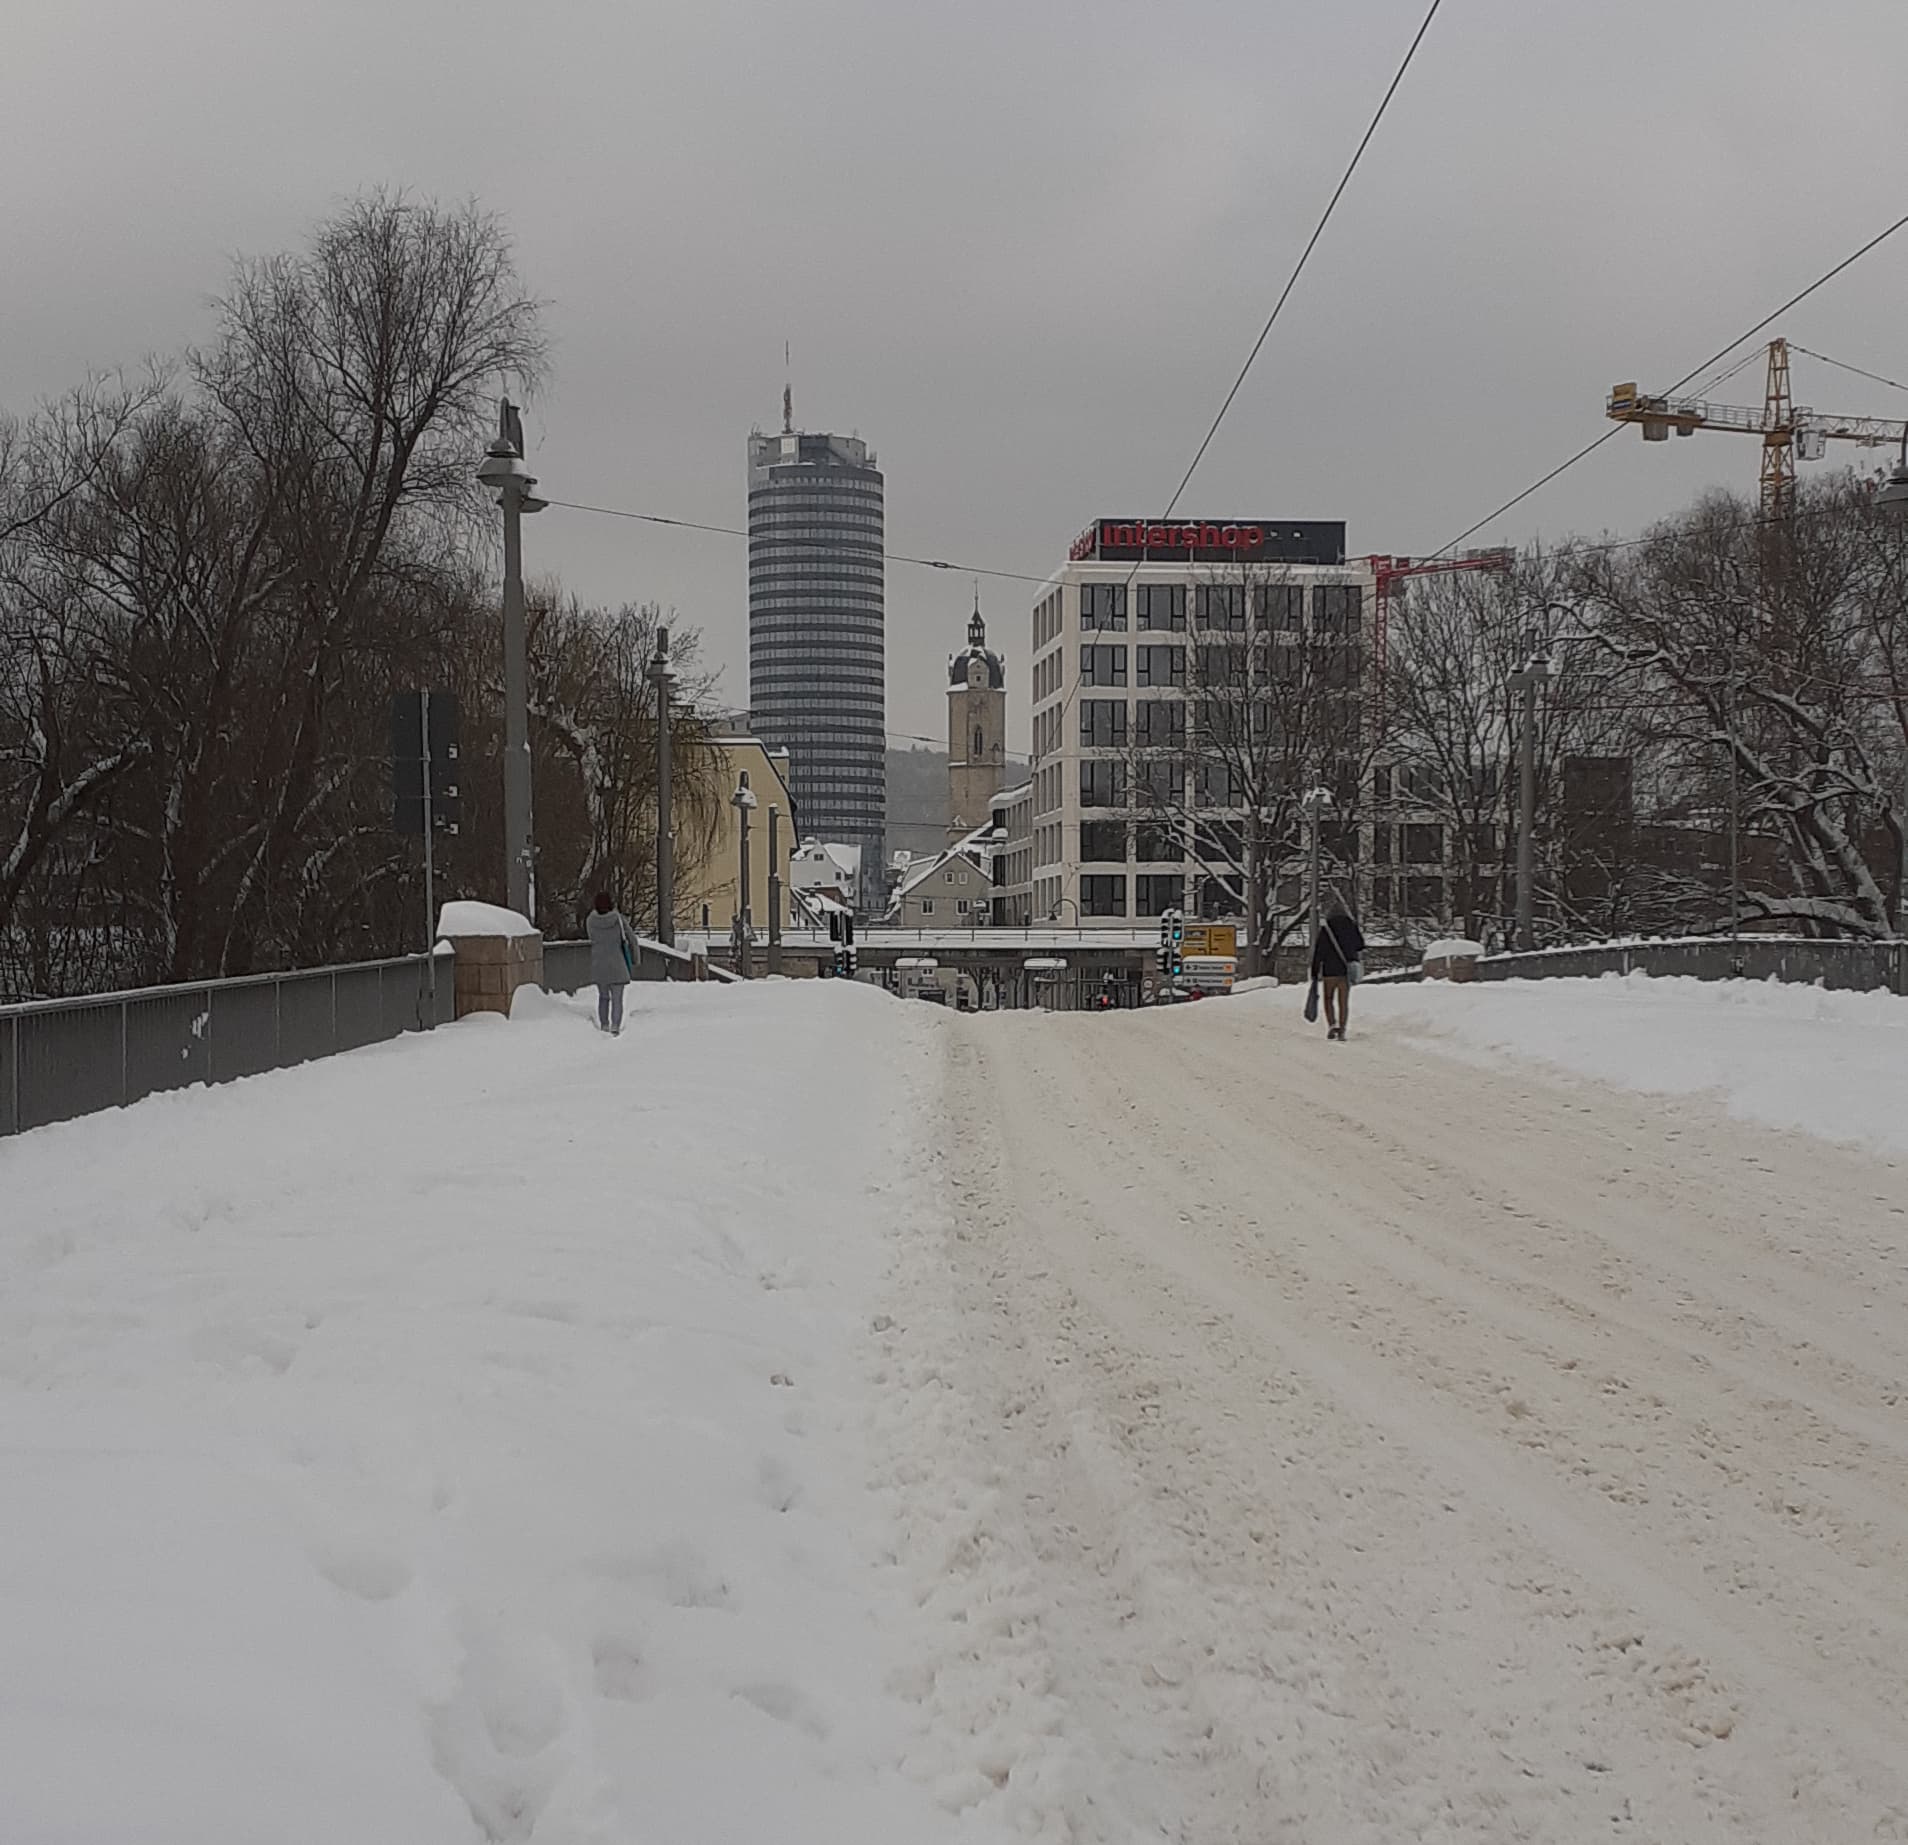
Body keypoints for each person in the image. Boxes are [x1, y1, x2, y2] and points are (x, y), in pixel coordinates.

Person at [1310, 902, 1365, 1041]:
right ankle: (1342, 1029)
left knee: (1328, 998)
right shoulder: (1351, 927)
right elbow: (1360, 945)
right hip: (1346, 970)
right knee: (1343, 1001)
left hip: (1329, 970)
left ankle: (1332, 1025)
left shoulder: (1326, 929)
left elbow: (1319, 951)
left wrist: (1315, 971)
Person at [585, 891, 638, 1035]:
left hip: (599, 964)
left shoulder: (590, 921)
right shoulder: (618, 920)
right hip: (617, 964)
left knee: (603, 997)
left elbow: (591, 938)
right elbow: (631, 939)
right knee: (617, 999)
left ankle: (604, 1025)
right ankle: (615, 1027)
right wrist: (635, 959)